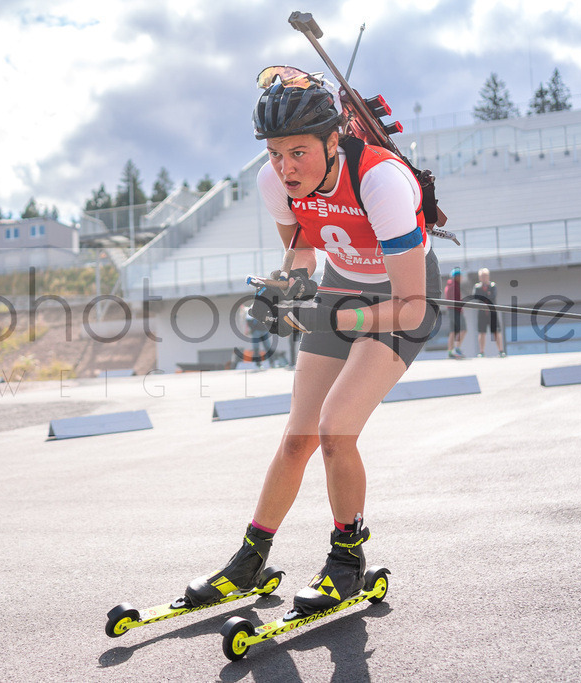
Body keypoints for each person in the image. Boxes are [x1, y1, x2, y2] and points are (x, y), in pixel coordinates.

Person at [183, 67, 441, 616]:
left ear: (332, 141)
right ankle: (250, 560)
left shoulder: (380, 181)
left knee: (335, 429)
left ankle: (347, 562)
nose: (286, 168)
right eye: (275, 154)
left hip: (401, 296)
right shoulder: (273, 182)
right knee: (297, 437)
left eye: (298, 152)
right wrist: (289, 287)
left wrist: (338, 315)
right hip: (341, 287)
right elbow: (302, 245)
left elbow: (411, 306)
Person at [473, 268, 506, 357]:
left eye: (485, 276)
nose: (484, 278)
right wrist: (486, 296)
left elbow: (493, 296)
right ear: (479, 277)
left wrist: (485, 297)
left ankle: (501, 351)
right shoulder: (477, 287)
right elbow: (476, 297)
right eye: (482, 276)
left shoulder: (493, 286)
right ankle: (481, 352)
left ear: (488, 276)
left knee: (496, 331)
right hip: (482, 312)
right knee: (481, 332)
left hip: (492, 312)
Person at [444, 268, 466, 359]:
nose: (461, 277)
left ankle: (450, 351)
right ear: (456, 276)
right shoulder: (453, 285)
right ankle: (456, 349)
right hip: (455, 310)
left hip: (451, 310)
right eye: (460, 276)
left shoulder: (450, 285)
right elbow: (455, 299)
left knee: (453, 331)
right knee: (463, 329)